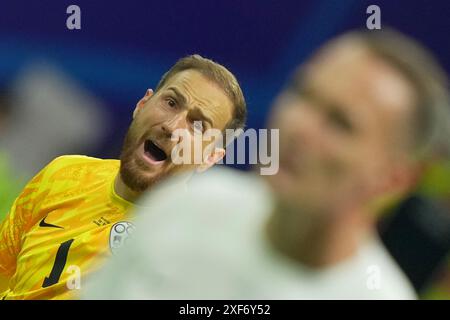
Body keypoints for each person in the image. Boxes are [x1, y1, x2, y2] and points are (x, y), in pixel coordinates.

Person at [85, 29, 450, 299]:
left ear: (394, 179)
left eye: (340, 123)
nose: (300, 127)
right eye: (303, 94)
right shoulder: (186, 207)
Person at [0, 54, 247, 299]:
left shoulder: (194, 248)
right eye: (171, 103)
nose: (172, 127)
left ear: (210, 157)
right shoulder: (63, 173)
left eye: (197, 125)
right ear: (142, 105)